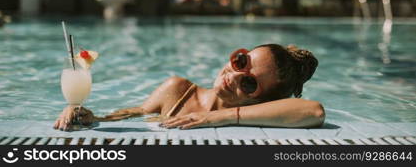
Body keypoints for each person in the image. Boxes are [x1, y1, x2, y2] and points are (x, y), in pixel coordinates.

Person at [54, 44, 325, 131]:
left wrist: (220, 116)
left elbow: (313, 111)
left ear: (261, 101)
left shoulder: (258, 114)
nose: (234, 75)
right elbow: (133, 113)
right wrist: (90, 117)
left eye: (250, 83)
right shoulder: (177, 90)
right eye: (241, 61)